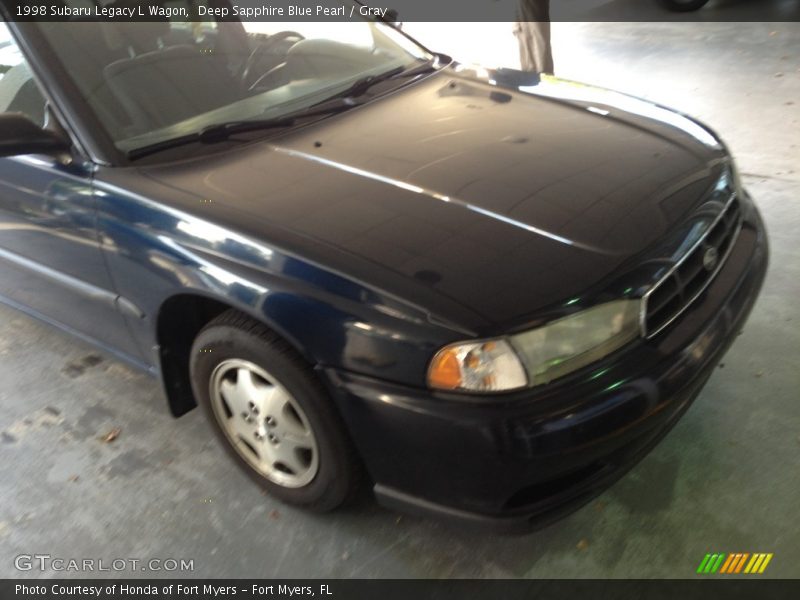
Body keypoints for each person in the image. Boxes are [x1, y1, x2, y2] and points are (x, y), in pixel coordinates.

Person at [514, 0, 554, 74]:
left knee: (540, 45)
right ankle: (529, 74)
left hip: (536, 13)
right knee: (525, 42)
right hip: (521, 13)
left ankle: (545, 74)